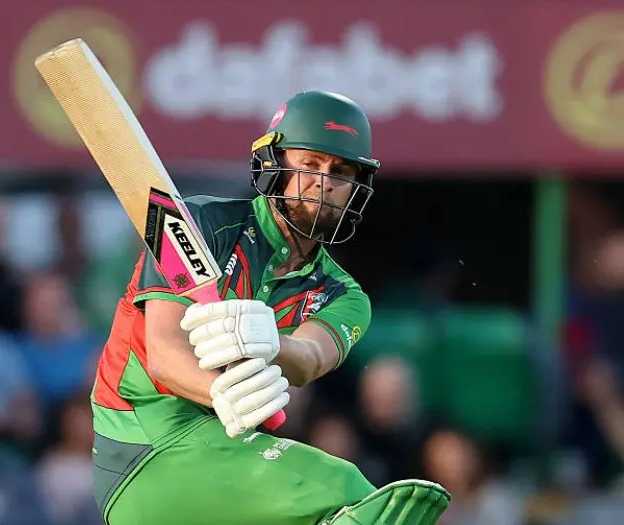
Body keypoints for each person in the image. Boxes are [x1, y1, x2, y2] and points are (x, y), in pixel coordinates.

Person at [90, 90, 451, 525]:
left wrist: (269, 340)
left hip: (224, 458)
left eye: (340, 171)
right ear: (274, 164)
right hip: (144, 443)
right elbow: (164, 354)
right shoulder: (200, 224)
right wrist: (219, 393)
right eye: (310, 164)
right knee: (346, 489)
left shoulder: (345, 295)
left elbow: (310, 356)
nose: (324, 181)